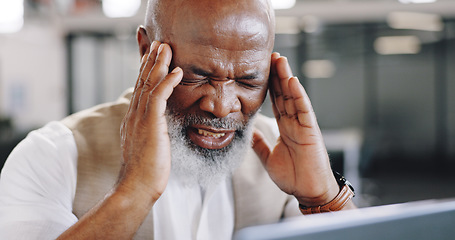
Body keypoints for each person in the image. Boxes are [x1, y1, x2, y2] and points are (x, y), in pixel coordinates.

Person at [0, 0, 356, 239]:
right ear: (146, 52)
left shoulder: (280, 153)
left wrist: (322, 197)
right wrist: (134, 191)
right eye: (196, 76)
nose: (221, 106)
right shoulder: (52, 156)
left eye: (248, 80)